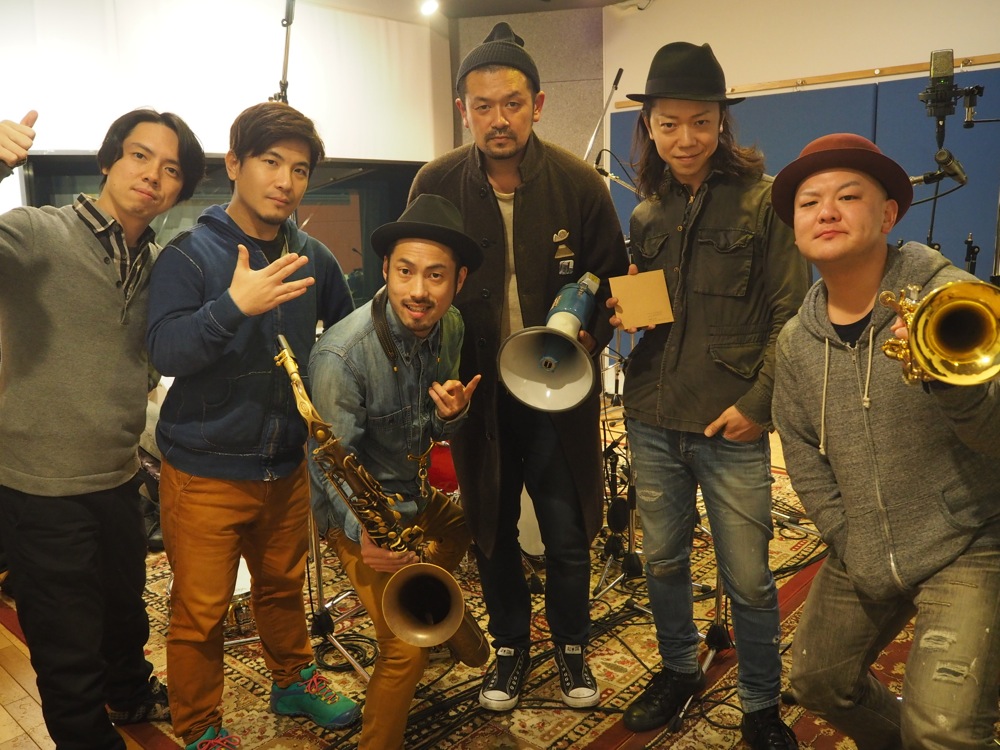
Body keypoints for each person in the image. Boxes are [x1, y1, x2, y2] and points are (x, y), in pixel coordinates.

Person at [410, 21, 628, 712]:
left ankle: (571, 645)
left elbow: (611, 278)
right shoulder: (436, 182)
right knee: (490, 529)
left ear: (537, 104)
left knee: (567, 531)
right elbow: (415, 278)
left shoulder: (579, 183)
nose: (498, 119)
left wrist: (587, 337)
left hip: (559, 387)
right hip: (476, 390)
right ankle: (509, 646)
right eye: (483, 106)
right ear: (463, 110)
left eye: (511, 103)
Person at [606, 42, 808, 747]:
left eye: (700, 122)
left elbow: (791, 316)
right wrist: (624, 308)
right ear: (650, 127)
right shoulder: (647, 214)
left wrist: (759, 406)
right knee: (662, 562)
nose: (685, 138)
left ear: (722, 122)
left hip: (731, 423)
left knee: (748, 579)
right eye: (669, 124)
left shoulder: (767, 202)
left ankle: (760, 704)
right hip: (652, 415)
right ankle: (678, 668)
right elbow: (653, 312)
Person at [770, 133, 1000, 748]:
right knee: (817, 683)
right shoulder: (796, 342)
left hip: (970, 538)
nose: (826, 211)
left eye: (849, 196)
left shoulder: (953, 299)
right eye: (809, 202)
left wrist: (947, 379)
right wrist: (850, 537)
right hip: (866, 543)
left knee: (943, 728)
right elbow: (801, 452)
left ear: (889, 214)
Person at [146, 101, 359, 749]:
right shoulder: (189, 255)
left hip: (285, 465)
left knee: (283, 588)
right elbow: (164, 350)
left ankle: (293, 680)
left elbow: (347, 341)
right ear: (234, 164)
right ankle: (200, 726)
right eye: (270, 162)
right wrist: (234, 306)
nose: (285, 181)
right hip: (204, 468)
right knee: (201, 612)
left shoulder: (313, 257)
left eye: (300, 169)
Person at [0, 108, 205, 749]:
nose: (152, 175)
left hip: (117, 476)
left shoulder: (161, 266)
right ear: (108, 160)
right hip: (40, 486)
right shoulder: (35, 232)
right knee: (66, 647)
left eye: (171, 169)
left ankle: (132, 691)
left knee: (124, 609)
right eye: (139, 156)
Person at [308, 194, 484, 749]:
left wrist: (451, 416)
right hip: (356, 512)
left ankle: (430, 599)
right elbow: (327, 466)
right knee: (405, 651)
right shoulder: (342, 356)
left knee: (464, 526)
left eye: (436, 275)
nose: (419, 291)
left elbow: (431, 422)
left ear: (458, 280)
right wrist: (364, 533)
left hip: (412, 492)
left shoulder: (451, 326)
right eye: (405, 271)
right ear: (385, 269)